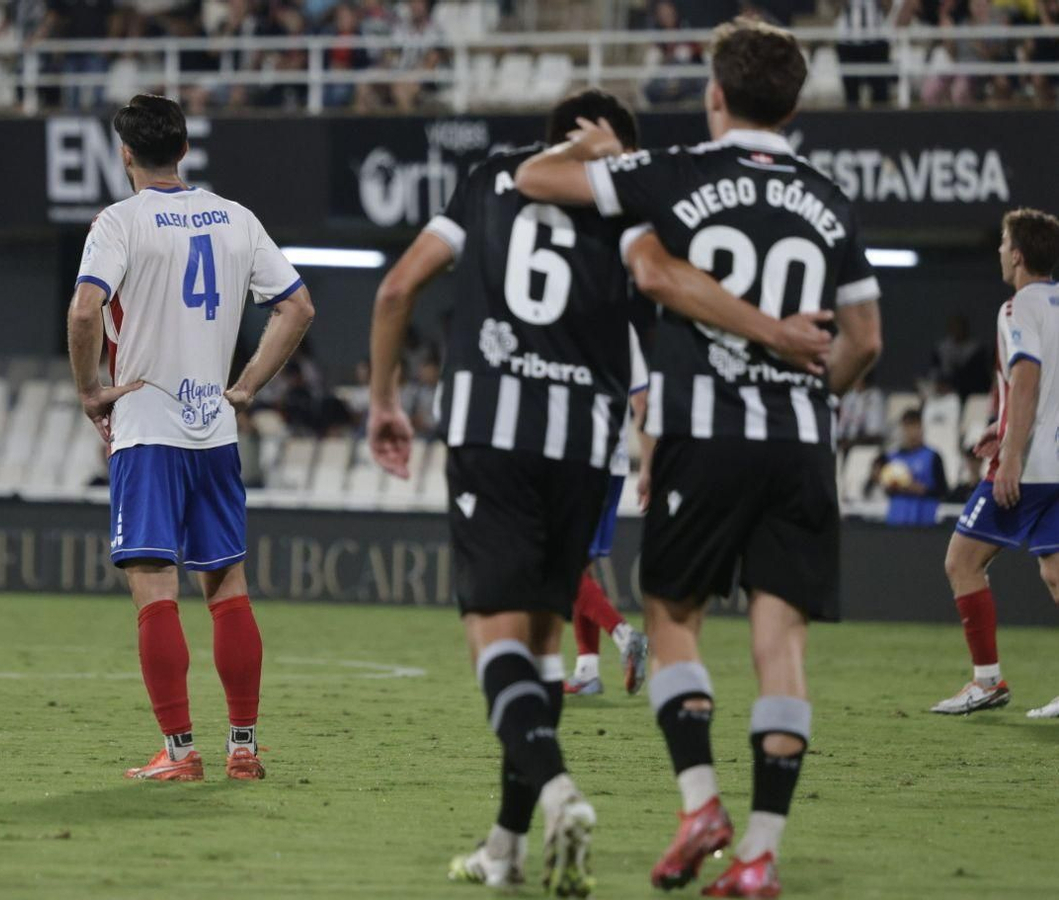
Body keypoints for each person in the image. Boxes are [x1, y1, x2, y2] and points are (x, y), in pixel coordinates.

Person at [367, 88, 831, 895]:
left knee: (496, 641)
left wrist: (382, 400)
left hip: (492, 433)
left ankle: (559, 795)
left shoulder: (489, 178)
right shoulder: (633, 201)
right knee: (545, 645)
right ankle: (505, 848)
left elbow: (396, 289)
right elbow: (663, 287)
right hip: (586, 444)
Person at [518, 19, 884, 897]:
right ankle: (759, 853)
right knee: (780, 637)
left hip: (704, 432)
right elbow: (865, 341)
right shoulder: (830, 195)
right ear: (794, 105)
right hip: (800, 443)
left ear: (715, 95)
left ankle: (699, 803)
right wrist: (806, 384)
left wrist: (603, 152)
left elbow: (536, 177)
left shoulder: (676, 173)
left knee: (674, 612)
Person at [67, 94, 314, 782]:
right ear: (184, 149)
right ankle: (244, 746)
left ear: (125, 155)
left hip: (147, 429)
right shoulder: (236, 218)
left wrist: (89, 390)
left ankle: (179, 752)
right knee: (228, 584)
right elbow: (298, 305)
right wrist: (248, 385)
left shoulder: (119, 222)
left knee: (154, 586)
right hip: (214, 430)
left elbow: (85, 308)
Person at [933, 208, 1059, 719]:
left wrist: (1009, 455)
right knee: (1055, 573)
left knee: (962, 562)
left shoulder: (1016, 309)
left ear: (1020, 255)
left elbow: (1027, 378)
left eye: (1004, 242)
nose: (999, 251)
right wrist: (1003, 424)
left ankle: (986, 682)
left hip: (1027, 469)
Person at [567, 328, 653, 697]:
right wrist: (647, 465)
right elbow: (642, 401)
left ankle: (624, 635)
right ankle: (587, 670)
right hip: (613, 464)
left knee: (559, 567)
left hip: (571, 460)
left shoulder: (558, 311)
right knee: (576, 567)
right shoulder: (624, 328)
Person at [878, 409, 949, 526]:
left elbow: (943, 490)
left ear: (922, 428)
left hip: (924, 521)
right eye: (907, 426)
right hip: (896, 519)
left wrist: (920, 489)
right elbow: (887, 489)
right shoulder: (892, 457)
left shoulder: (932, 456)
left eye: (915, 426)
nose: (911, 432)